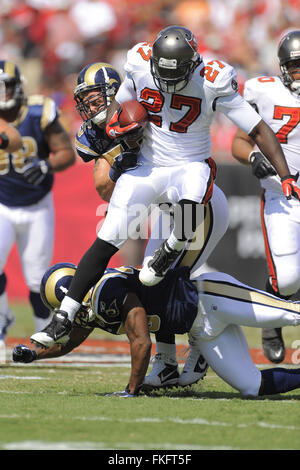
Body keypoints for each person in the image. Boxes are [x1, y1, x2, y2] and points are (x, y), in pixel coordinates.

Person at [30, 25, 300, 354]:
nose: (168, 80)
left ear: (193, 64)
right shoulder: (140, 62)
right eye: (163, 71)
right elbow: (125, 99)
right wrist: (119, 123)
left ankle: (172, 247)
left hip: (189, 161)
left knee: (195, 190)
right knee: (107, 239)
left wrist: (285, 175)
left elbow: (257, 128)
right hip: (149, 164)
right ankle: (64, 314)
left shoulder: (212, 78)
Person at [73, 60, 229, 387]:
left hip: (198, 205)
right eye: (86, 100)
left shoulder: (148, 106)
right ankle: (169, 360)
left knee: (175, 278)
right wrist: (120, 163)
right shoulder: (105, 131)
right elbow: (104, 185)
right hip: (168, 210)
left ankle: (202, 343)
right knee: (153, 279)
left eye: (95, 98)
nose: (91, 106)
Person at [15, 261, 300, 398]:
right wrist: (34, 354)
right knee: (251, 387)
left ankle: (184, 361)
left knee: (292, 314)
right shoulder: (90, 305)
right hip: (202, 330)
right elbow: (68, 343)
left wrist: (131, 389)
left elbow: (141, 340)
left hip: (211, 297)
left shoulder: (105, 291)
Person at [231, 30, 300, 364]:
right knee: (287, 280)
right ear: (283, 68)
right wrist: (254, 158)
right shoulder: (264, 91)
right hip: (282, 197)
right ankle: (272, 325)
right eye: (295, 66)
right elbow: (239, 143)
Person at [0, 60, 75, 351]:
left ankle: (43, 332)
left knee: (36, 278)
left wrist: (45, 165)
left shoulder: (38, 110)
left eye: (5, 84)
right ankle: (3, 319)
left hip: (37, 203)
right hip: (2, 202)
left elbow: (66, 153)